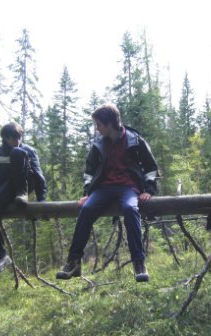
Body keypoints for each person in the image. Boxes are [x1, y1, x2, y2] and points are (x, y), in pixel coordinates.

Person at [56, 104, 159, 282]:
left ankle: (139, 263)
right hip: (103, 189)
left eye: (99, 125)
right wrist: (88, 193)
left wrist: (149, 190)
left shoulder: (135, 140)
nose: (97, 129)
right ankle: (73, 262)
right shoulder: (98, 144)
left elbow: (151, 167)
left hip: (129, 188)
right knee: (86, 209)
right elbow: (89, 171)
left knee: (130, 208)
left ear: (110, 123)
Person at [0, 122, 47, 274]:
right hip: (6, 190)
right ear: (5, 138)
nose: (17, 141)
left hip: (26, 184)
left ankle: (21, 194)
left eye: (19, 137)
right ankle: (1, 257)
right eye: (13, 138)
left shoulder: (27, 150)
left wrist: (42, 200)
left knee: (17, 152)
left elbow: (38, 175)